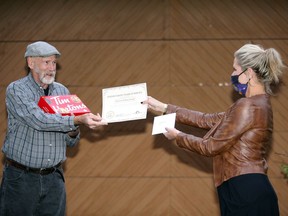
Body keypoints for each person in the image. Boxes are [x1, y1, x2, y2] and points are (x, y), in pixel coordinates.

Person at [143, 44, 285, 216]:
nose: (232, 75)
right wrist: (163, 107)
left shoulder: (248, 106)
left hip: (245, 190)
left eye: (235, 69)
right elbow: (205, 119)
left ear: (248, 73)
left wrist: (178, 136)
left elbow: (210, 147)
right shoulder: (258, 105)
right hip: (245, 188)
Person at [0, 41, 107, 216]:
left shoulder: (62, 91)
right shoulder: (17, 90)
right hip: (22, 178)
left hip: (54, 178)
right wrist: (76, 119)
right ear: (31, 63)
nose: (51, 68)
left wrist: (76, 127)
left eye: (54, 63)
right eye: (46, 62)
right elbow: (38, 120)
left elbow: (71, 140)